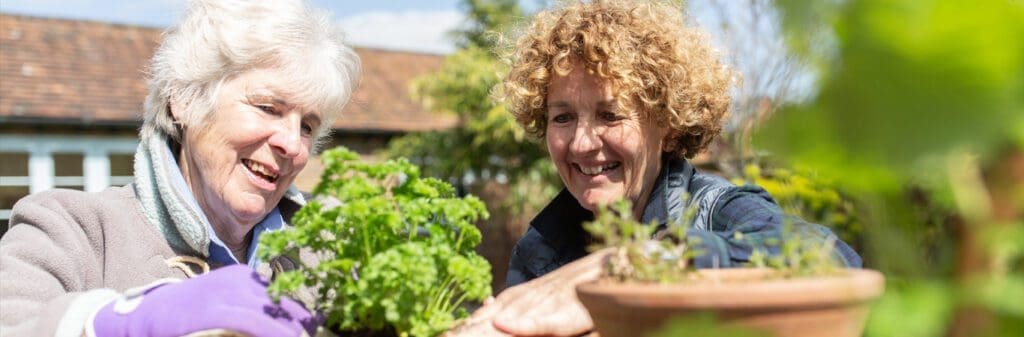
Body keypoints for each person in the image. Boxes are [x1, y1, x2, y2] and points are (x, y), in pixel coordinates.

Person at [452, 1, 861, 336]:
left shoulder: (718, 210)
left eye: (610, 115)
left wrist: (648, 260)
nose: (581, 143)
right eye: (562, 118)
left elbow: (830, 257)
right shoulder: (540, 249)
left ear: (666, 124)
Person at [0, 0, 360, 336]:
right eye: (267, 107)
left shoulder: (335, 239)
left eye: (307, 126)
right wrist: (117, 321)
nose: (293, 144)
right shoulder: (71, 228)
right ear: (184, 101)